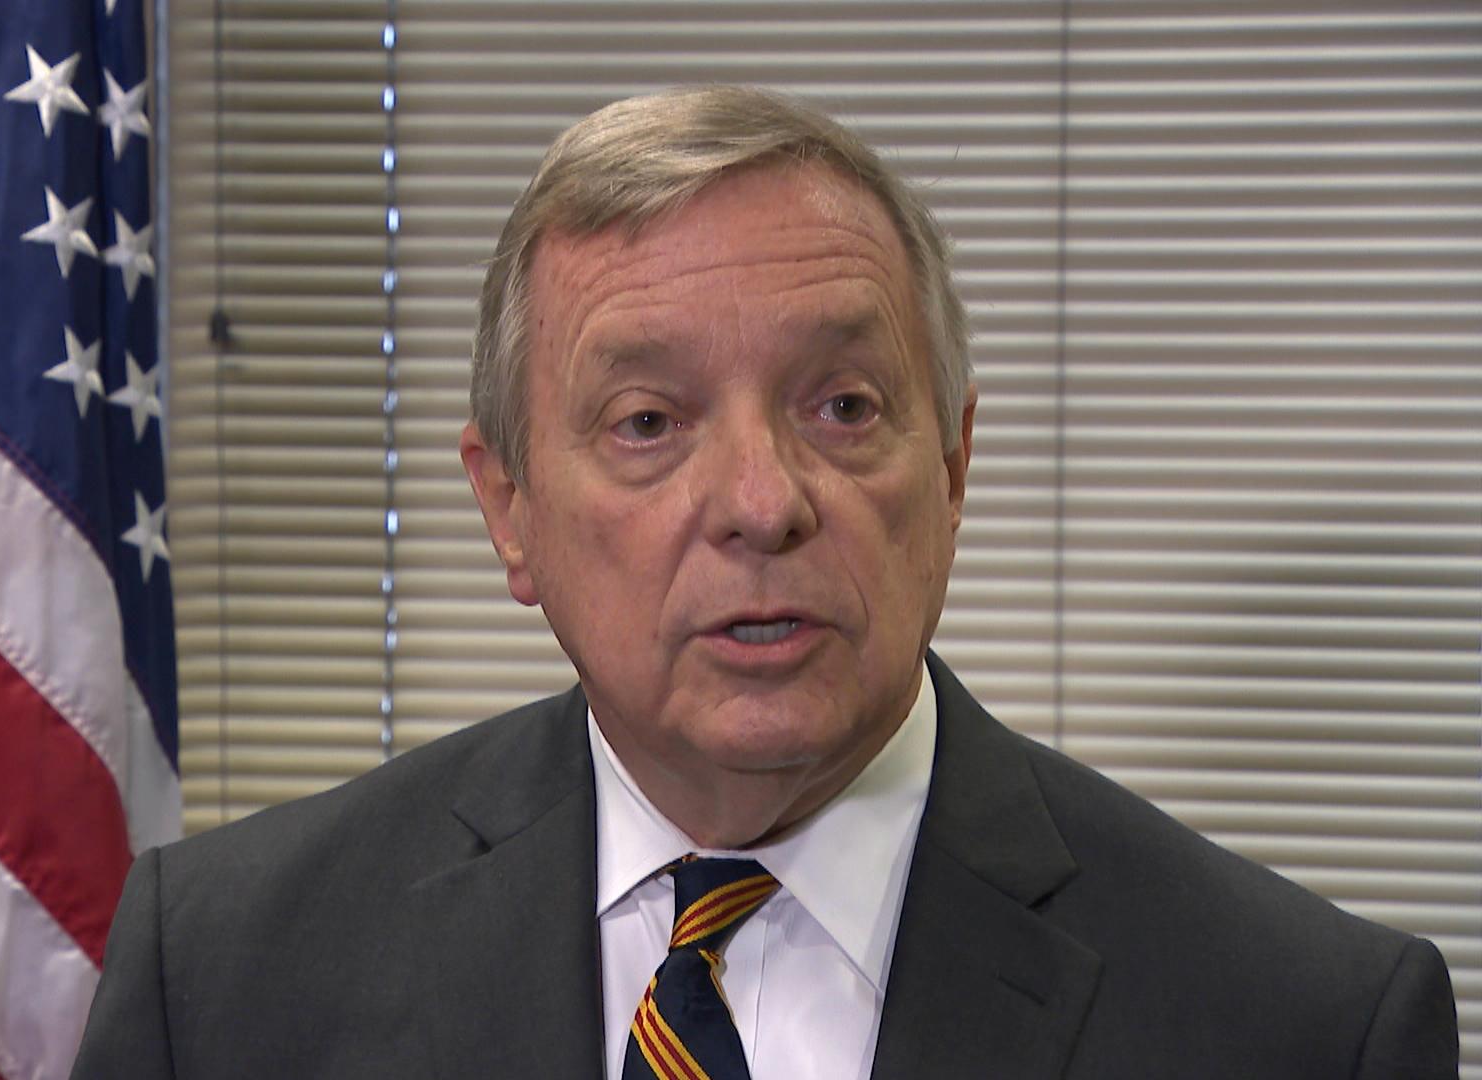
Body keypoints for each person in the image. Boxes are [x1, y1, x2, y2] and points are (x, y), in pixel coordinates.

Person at [71, 85, 1456, 1079]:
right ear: (510, 513)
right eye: (648, 424)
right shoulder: (229, 970)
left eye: (845, 407)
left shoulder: (1304, 1024)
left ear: (957, 464)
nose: (761, 503)